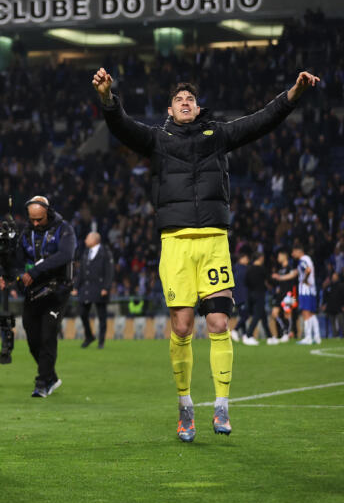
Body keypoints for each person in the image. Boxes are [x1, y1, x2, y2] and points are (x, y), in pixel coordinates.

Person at [92, 67, 320, 441]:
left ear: (198, 110)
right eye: (179, 100)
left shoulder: (218, 135)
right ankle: (185, 406)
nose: (186, 103)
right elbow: (122, 126)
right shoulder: (157, 139)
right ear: (169, 110)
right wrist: (106, 98)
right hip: (176, 243)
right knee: (181, 327)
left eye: (191, 100)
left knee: (217, 324)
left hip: (214, 240)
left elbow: (262, 120)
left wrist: (294, 93)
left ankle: (221, 407)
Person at [6, 197, 76, 397]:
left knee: (48, 335)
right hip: (33, 292)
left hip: (57, 291)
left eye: (40, 219)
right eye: (32, 219)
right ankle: (51, 376)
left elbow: (66, 255)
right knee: (32, 338)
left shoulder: (64, 229)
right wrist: (14, 277)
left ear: (49, 213)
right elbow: (18, 260)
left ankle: (42, 383)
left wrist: (34, 271)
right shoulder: (26, 233)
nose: (35, 223)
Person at [76, 231, 113, 349]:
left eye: (87, 238)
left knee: (102, 315)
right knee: (82, 313)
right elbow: (81, 271)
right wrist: (76, 287)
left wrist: (106, 287)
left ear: (94, 240)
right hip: (86, 288)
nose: (85, 240)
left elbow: (109, 271)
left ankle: (101, 341)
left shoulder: (105, 252)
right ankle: (89, 336)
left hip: (99, 287)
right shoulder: (86, 252)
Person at [285, 243, 320, 345]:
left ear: (298, 251)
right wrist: (280, 277)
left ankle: (308, 337)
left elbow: (307, 270)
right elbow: (296, 273)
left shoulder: (303, 260)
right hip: (312, 290)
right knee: (312, 313)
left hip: (305, 290)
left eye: (293, 252)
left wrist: (304, 280)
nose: (292, 254)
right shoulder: (308, 259)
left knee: (305, 313)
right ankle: (317, 337)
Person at [243, 251, 274, 345]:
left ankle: (270, 337)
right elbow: (269, 281)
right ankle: (248, 335)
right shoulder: (262, 269)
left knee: (263, 315)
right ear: (260, 258)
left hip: (250, 294)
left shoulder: (248, 269)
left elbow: (245, 282)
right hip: (260, 294)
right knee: (257, 315)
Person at [270, 250, 295, 342]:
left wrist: (279, 278)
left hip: (288, 294)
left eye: (279, 256)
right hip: (280, 294)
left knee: (287, 314)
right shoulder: (280, 269)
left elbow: (292, 277)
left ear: (285, 256)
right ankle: (285, 331)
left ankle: (287, 333)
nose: (278, 258)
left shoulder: (290, 267)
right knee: (274, 313)